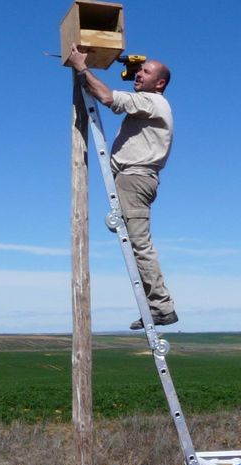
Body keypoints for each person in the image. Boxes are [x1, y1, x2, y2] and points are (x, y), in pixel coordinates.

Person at [67, 44, 178, 330]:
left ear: (161, 82)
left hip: (135, 178)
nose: (139, 74)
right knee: (137, 241)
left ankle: (161, 307)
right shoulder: (149, 102)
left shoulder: (151, 102)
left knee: (139, 243)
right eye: (139, 70)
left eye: (146, 72)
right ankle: (158, 305)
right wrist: (127, 66)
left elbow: (106, 97)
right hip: (133, 178)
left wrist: (82, 67)